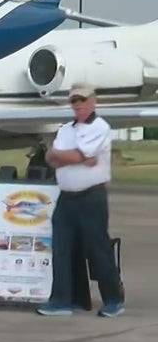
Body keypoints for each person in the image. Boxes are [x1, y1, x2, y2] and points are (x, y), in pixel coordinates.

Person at [37, 83, 123, 317]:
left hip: (91, 197)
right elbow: (53, 158)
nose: (78, 105)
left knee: (98, 249)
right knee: (61, 249)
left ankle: (113, 300)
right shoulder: (65, 129)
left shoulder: (100, 127)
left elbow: (81, 155)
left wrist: (70, 156)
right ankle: (63, 300)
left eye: (83, 100)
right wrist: (73, 157)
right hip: (66, 198)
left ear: (93, 101)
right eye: (74, 100)